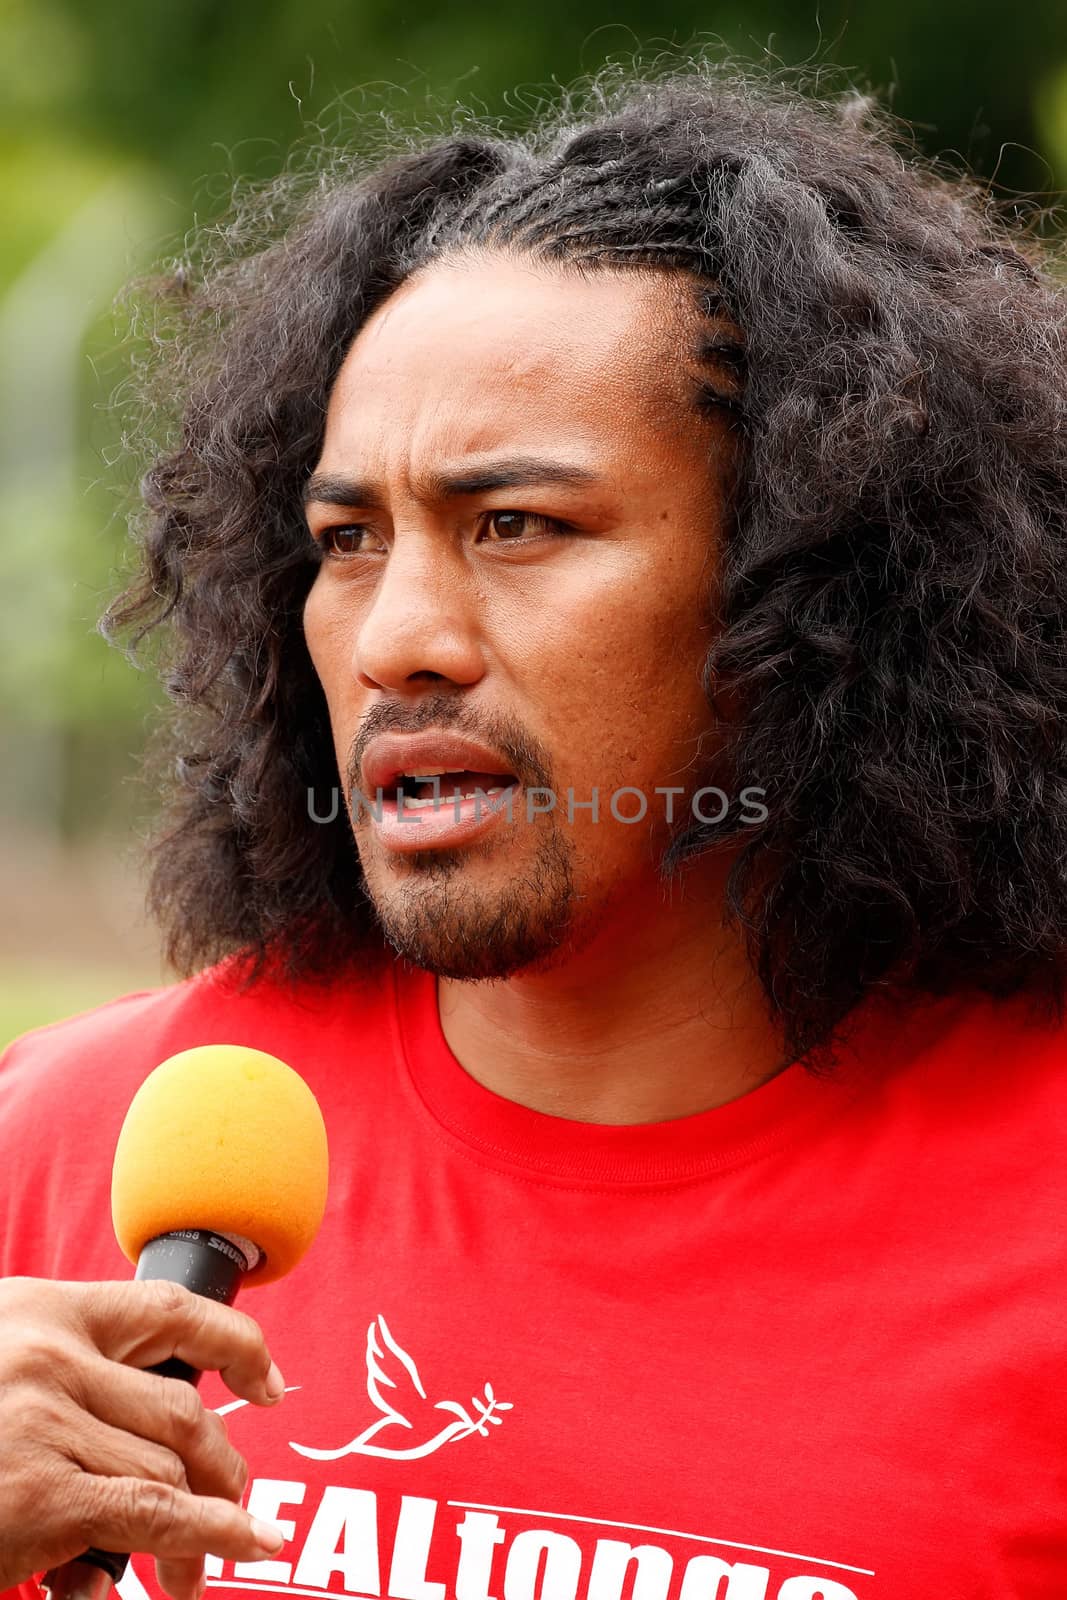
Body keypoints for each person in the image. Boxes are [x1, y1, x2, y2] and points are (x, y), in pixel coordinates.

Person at [2, 58, 1067, 1600]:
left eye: (518, 526)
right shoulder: (62, 1146)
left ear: (816, 588)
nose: (398, 640)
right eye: (347, 541)